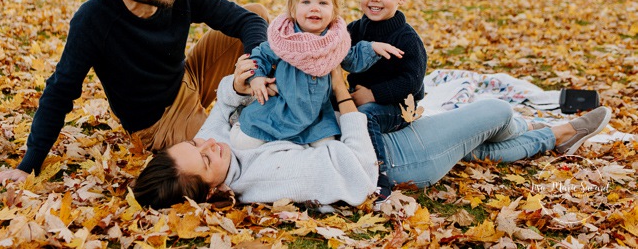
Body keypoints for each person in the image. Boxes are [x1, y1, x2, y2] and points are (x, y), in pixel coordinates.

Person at [0, 0, 269, 190]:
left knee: (256, 12)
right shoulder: (94, 21)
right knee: (232, 152)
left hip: (187, 78)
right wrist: (28, 166)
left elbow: (247, 21)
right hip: (160, 122)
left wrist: (256, 71)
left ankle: (262, 102)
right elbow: (60, 91)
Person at [132, 60, 613, 210]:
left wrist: (236, 86)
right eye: (205, 158)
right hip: (396, 158)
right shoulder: (269, 176)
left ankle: (556, 134)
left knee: (483, 148)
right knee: (493, 110)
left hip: (384, 144)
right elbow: (358, 170)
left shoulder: (226, 151)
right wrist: (342, 98)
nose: (209, 144)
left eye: (195, 144)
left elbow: (219, 113)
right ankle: (537, 127)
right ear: (213, 189)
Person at [230, 0, 403, 150]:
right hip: (282, 109)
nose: (314, 8)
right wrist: (256, 77)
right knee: (243, 143)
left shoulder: (335, 41)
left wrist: (372, 48)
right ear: (293, 9)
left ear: (334, 11)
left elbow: (352, 57)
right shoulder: (284, 39)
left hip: (318, 115)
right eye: (306, 2)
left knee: (328, 147)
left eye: (323, 3)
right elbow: (260, 55)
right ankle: (242, 118)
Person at [345, 0, 427, 201]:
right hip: (358, 96)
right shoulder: (355, 29)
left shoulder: (406, 38)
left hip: (398, 106)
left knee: (365, 116)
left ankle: (381, 177)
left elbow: (411, 81)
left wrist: (373, 94)